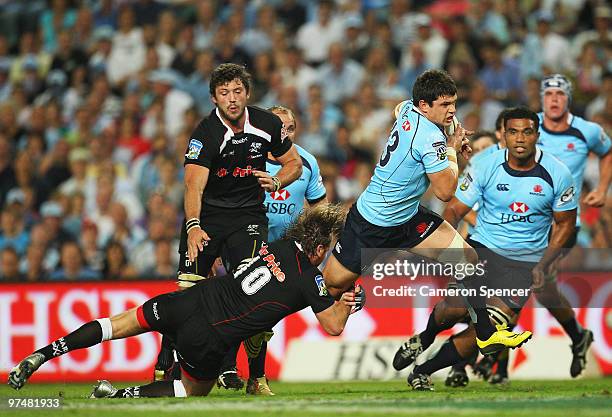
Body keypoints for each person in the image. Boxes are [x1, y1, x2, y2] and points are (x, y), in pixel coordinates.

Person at [9, 204, 364, 398]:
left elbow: (290, 289)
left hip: (193, 299)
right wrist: (348, 302)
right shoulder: (309, 275)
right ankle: (116, 395)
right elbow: (331, 324)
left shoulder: (281, 246)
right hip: (209, 333)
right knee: (192, 389)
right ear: (319, 250)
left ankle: (44, 353)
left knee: (117, 324)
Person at [322, 70, 532, 365]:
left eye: (454, 103)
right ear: (424, 105)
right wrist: (452, 151)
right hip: (372, 223)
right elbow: (446, 191)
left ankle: (485, 333)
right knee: (331, 287)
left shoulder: (408, 108)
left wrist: (451, 131)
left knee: (467, 260)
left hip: (406, 219)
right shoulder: (429, 138)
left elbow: (400, 109)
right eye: (445, 105)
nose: (452, 110)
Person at [407, 106, 578, 392]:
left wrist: (544, 263)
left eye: (526, 132)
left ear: (537, 135)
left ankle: (421, 371)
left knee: (488, 331)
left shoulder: (558, 174)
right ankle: (425, 337)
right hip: (482, 250)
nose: (520, 139)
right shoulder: (485, 166)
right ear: (504, 136)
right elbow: (453, 212)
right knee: (454, 309)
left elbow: (565, 225)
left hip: (524, 264)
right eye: (513, 132)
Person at [153, 63, 303, 388]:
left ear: (247, 93)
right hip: (206, 219)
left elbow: (295, 163)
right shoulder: (205, 134)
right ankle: (167, 363)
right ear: (213, 98)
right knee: (187, 294)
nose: (232, 99)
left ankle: (256, 378)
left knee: (253, 289)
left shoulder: (267, 123)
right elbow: (193, 186)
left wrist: (277, 180)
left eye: (237, 91)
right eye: (224, 93)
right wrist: (193, 225)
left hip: (247, 218)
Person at [238, 105, 327, 396]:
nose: (284, 133)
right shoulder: (247, 155)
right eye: (279, 127)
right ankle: (245, 374)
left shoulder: (307, 162)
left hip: (287, 251)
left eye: (289, 128)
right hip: (249, 241)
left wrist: (317, 244)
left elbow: (320, 209)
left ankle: (254, 376)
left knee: (262, 313)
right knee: (247, 309)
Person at [530, 74, 611, 378]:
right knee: (541, 287)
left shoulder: (587, 130)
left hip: (565, 224)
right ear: (541, 97)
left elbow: (608, 152)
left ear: (568, 98)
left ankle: (486, 358)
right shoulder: (529, 127)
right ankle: (579, 336)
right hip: (528, 223)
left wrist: (602, 188)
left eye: (560, 94)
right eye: (548, 93)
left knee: (525, 278)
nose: (554, 99)